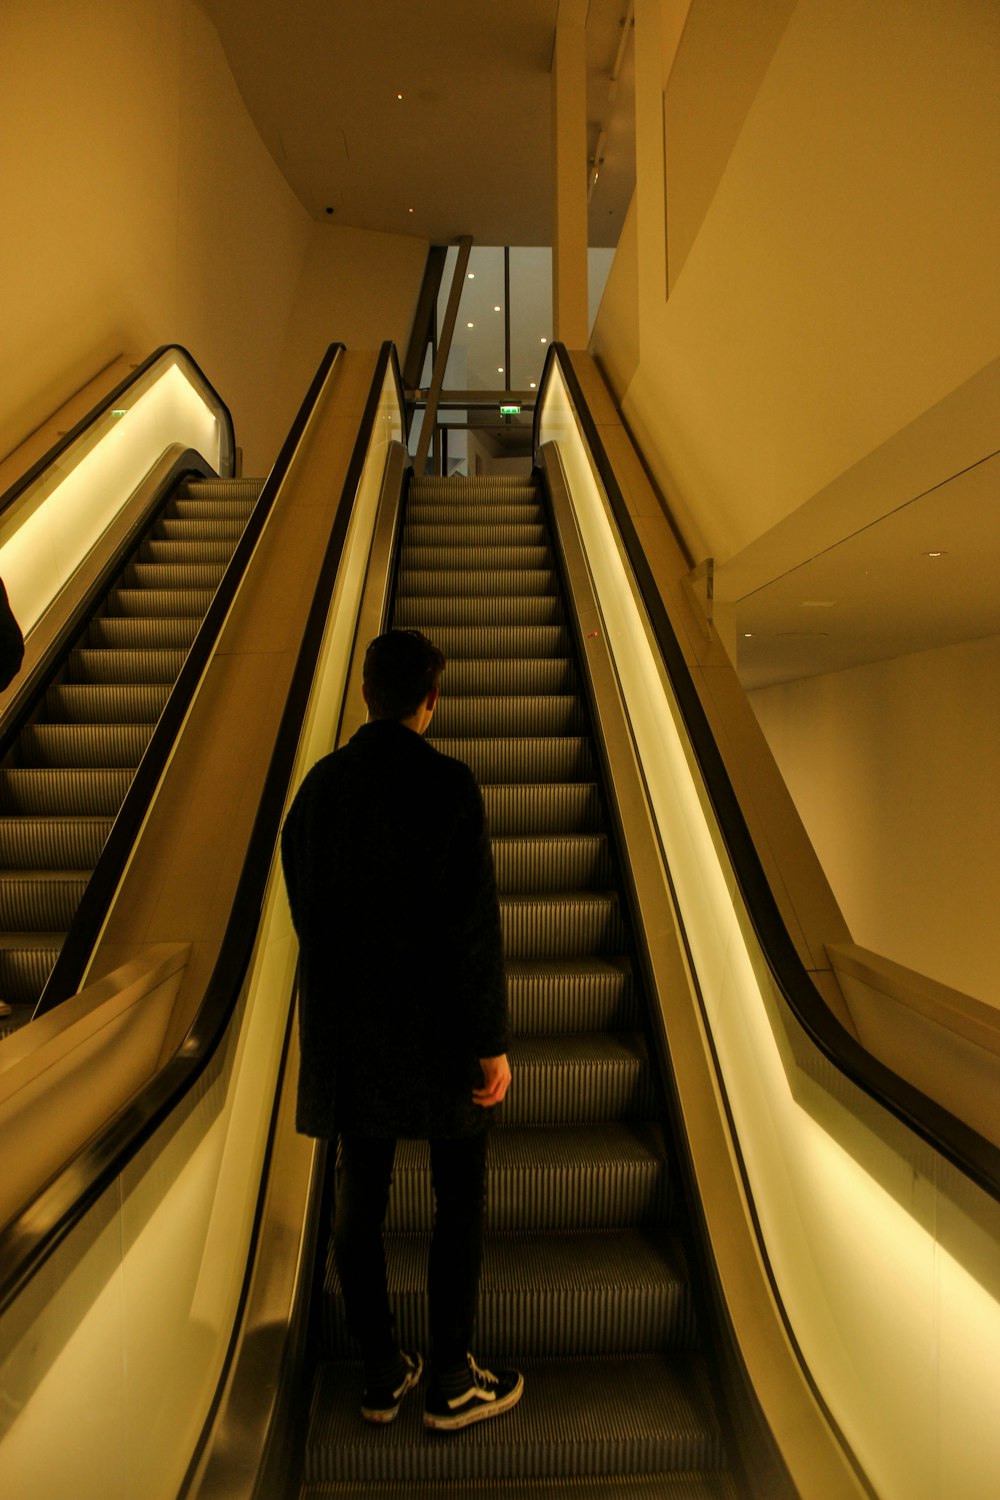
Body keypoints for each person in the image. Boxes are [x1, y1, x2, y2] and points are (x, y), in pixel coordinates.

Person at [281, 627, 523, 1431]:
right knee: (459, 1200)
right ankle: (451, 1377)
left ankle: (383, 1368)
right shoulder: (451, 787)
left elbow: (306, 910)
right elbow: (474, 928)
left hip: (354, 1034)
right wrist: (490, 1040)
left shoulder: (318, 791)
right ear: (431, 699)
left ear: (364, 694)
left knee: (360, 1197)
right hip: (442, 1032)